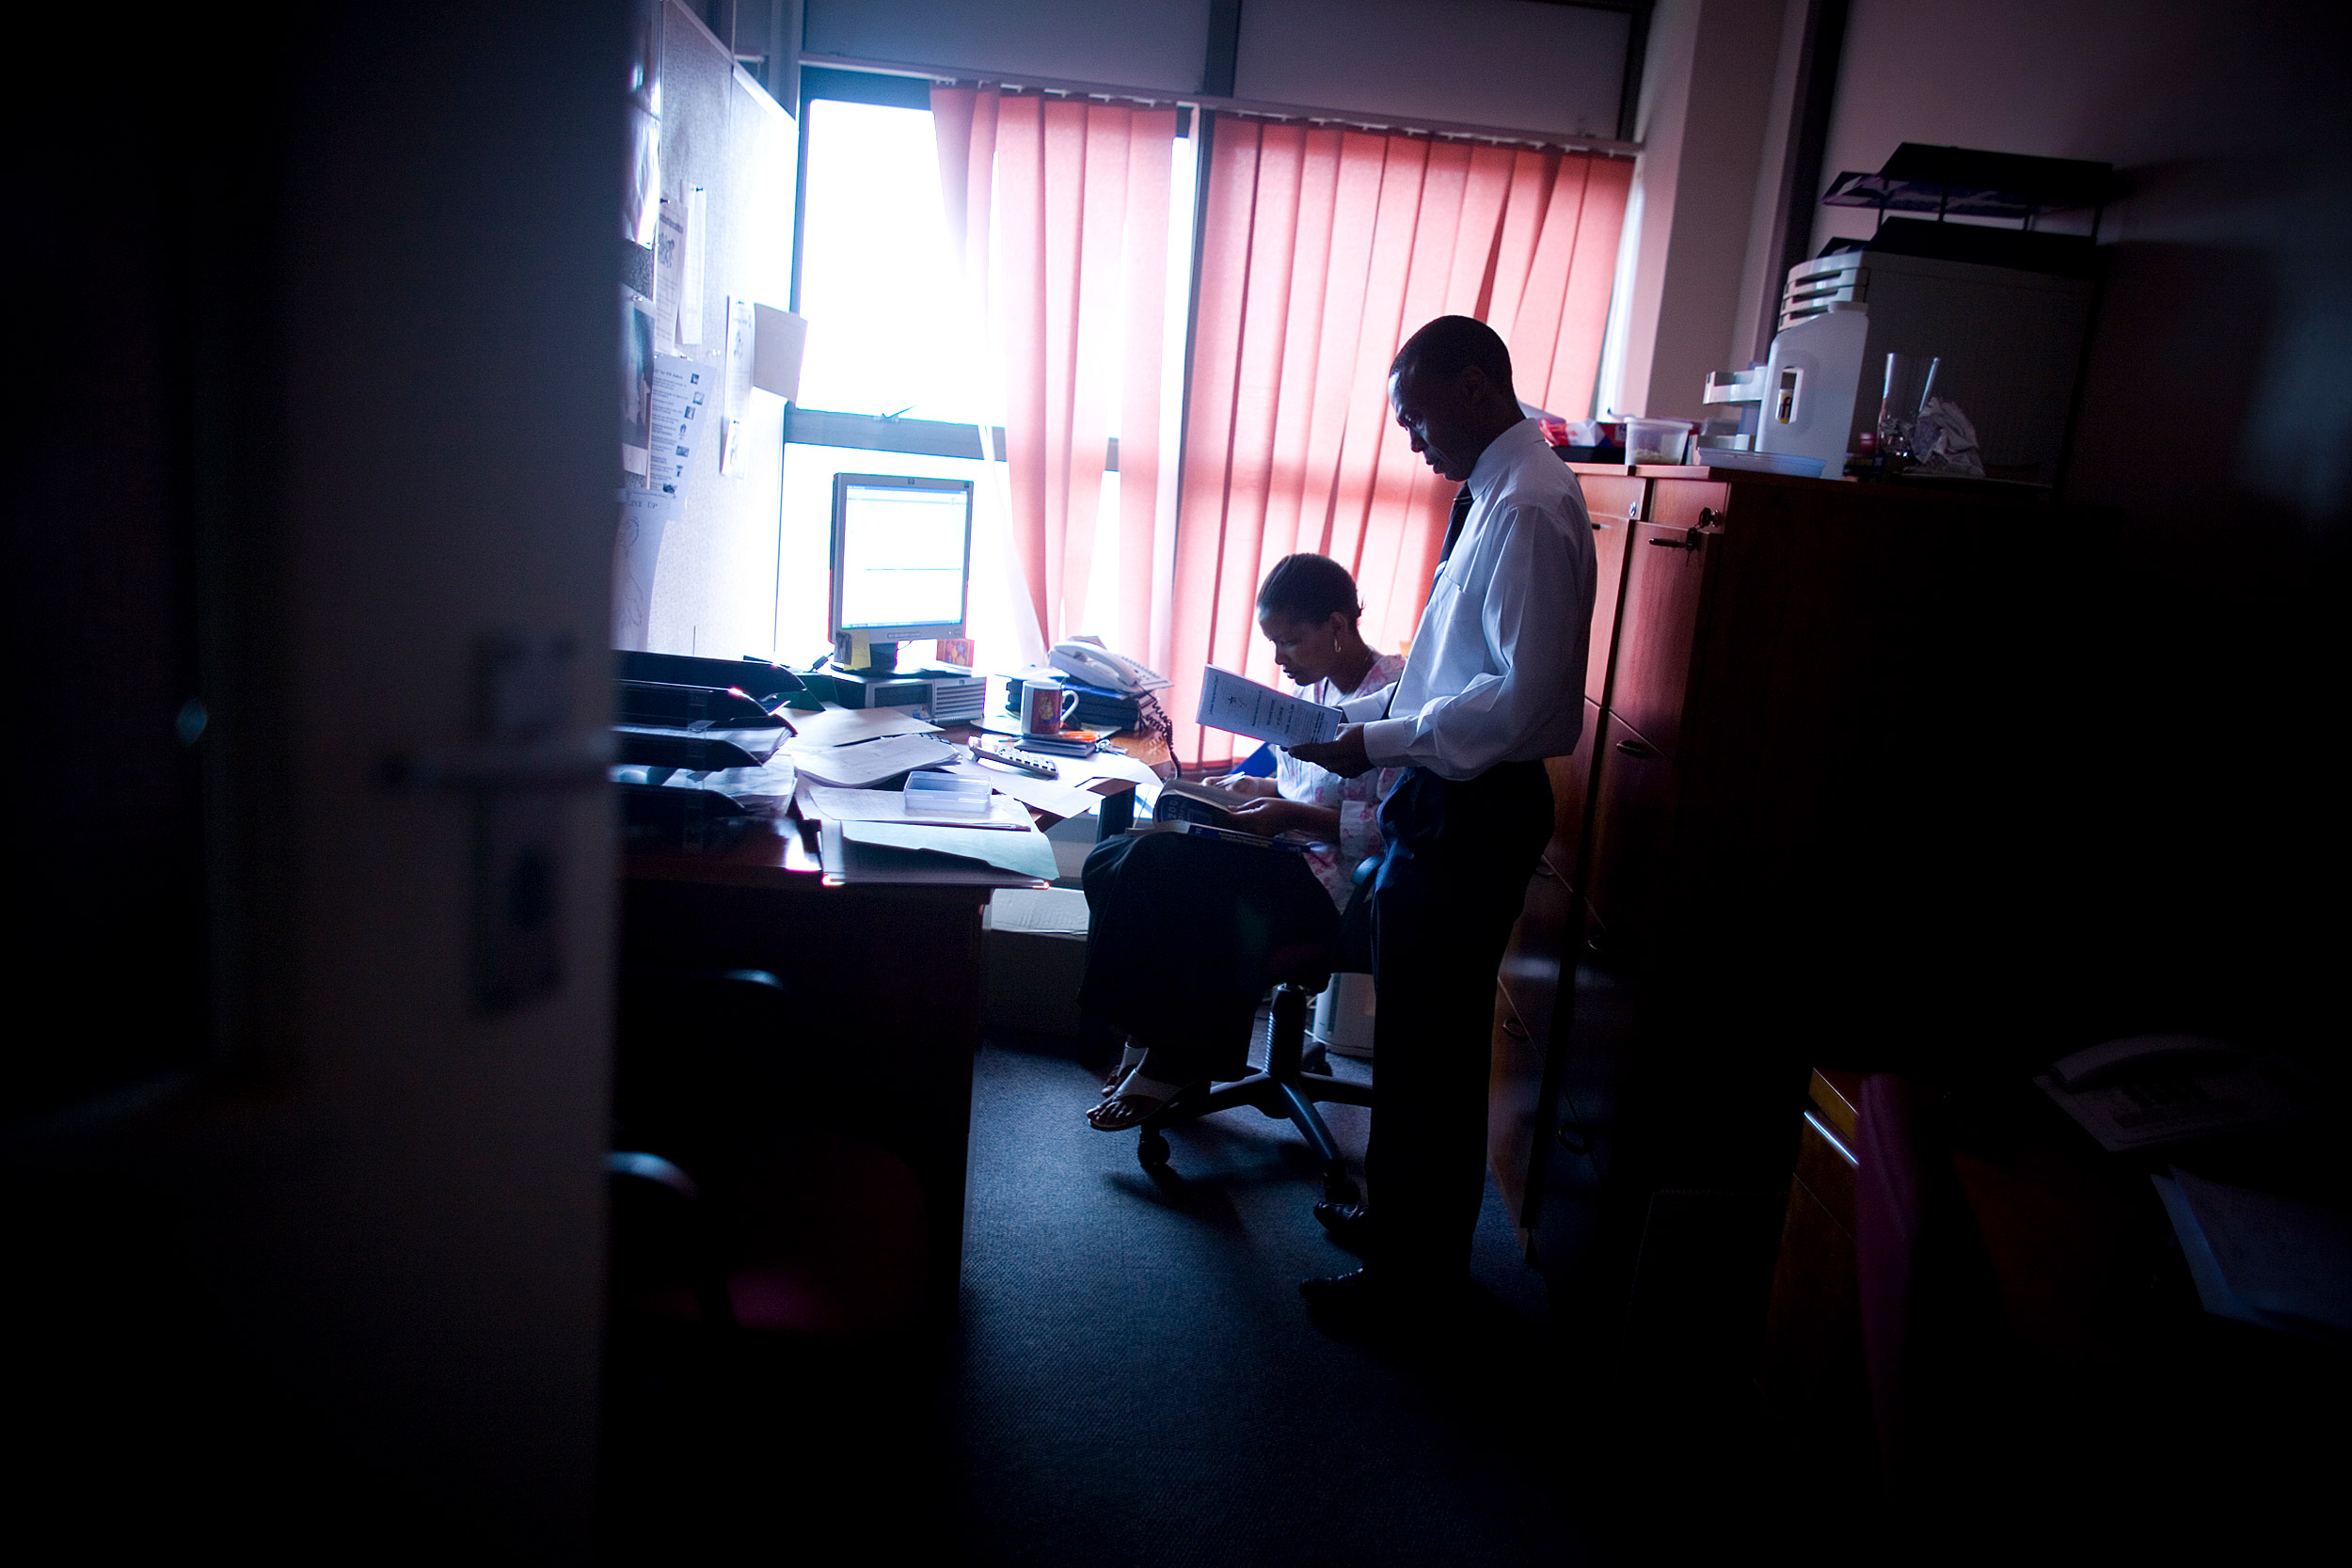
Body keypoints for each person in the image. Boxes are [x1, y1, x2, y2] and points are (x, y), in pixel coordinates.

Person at [1287, 315, 1596, 1321]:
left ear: (1474, 388)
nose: (1413, 443)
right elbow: (1442, 676)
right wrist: (1346, 718)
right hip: (1440, 797)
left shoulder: (1535, 505)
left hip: (1478, 807)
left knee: (1434, 1053)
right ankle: (1395, 1231)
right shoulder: (1489, 494)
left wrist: (1369, 745)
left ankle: (1411, 1282)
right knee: (1420, 1042)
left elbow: (1518, 700)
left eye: (1419, 419)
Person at [1078, 555, 1406, 1132]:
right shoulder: (1317, 686)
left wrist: (1286, 816)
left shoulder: (1394, 702)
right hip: (1284, 849)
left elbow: (1398, 823)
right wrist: (1246, 788)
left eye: (1291, 642)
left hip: (1335, 879)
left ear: (1337, 625)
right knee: (1110, 857)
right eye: (1272, 643)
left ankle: (1174, 1057)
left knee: (1162, 866)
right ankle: (1147, 1034)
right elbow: (1303, 781)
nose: (1279, 660)